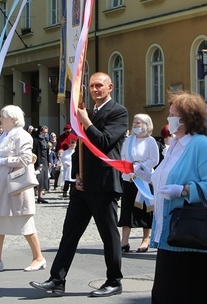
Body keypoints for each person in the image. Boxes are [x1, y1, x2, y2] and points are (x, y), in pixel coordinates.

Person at [30, 72, 128, 297]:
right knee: (70, 233)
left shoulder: (118, 112)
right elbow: (79, 149)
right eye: (92, 86)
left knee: (109, 234)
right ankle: (57, 280)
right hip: (83, 184)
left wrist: (86, 121)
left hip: (104, 184)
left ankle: (114, 280)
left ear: (110, 87)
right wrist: (76, 175)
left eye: (99, 86)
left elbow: (104, 142)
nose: (95, 89)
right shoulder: (88, 111)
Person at [135, 91, 207, 303]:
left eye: (172, 114)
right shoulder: (174, 145)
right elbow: (168, 179)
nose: (168, 117)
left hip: (194, 236)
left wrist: (185, 191)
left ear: (186, 118)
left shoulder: (200, 145)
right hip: (173, 234)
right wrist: (148, 176)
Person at [0, 105, 45, 272]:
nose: (0, 120)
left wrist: (2, 161)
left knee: (25, 221)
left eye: (3, 117)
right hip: (1, 183)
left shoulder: (22, 135)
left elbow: (26, 159)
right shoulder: (4, 136)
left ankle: (38, 257)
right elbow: (0, 155)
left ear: (13, 119)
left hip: (17, 185)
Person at [118, 113, 158, 253]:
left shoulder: (150, 141)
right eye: (134, 123)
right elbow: (123, 155)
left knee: (145, 209)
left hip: (144, 179)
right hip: (129, 177)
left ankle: (145, 239)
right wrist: (129, 168)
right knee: (127, 209)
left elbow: (154, 159)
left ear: (146, 125)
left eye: (138, 123)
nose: (135, 125)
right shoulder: (129, 140)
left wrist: (139, 168)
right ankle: (124, 240)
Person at [32, 125, 50, 203]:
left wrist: (49, 161)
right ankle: (35, 195)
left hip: (45, 160)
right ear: (40, 132)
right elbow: (34, 151)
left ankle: (40, 196)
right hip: (39, 160)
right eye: (43, 132)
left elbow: (47, 152)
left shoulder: (45, 139)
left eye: (46, 132)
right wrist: (36, 162)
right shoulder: (36, 140)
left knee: (44, 179)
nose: (45, 134)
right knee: (38, 178)